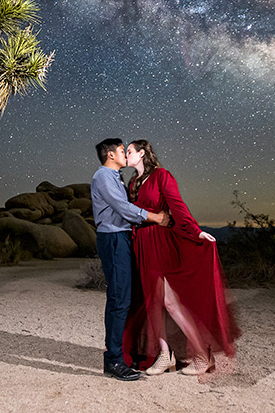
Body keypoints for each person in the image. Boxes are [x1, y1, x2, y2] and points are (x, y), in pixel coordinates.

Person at [122, 139, 240, 376]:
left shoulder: (162, 175)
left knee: (170, 302)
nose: (126, 154)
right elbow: (132, 213)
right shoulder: (133, 182)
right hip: (141, 245)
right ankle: (164, 355)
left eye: (130, 151)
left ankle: (201, 354)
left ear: (142, 153)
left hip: (159, 243)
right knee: (152, 304)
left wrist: (195, 230)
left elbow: (177, 205)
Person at [91, 138, 169, 381]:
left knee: (123, 296)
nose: (126, 154)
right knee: (119, 298)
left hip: (120, 238)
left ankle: (118, 354)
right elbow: (124, 209)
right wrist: (155, 218)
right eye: (123, 151)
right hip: (114, 240)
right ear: (111, 155)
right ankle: (114, 360)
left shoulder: (115, 177)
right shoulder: (104, 176)